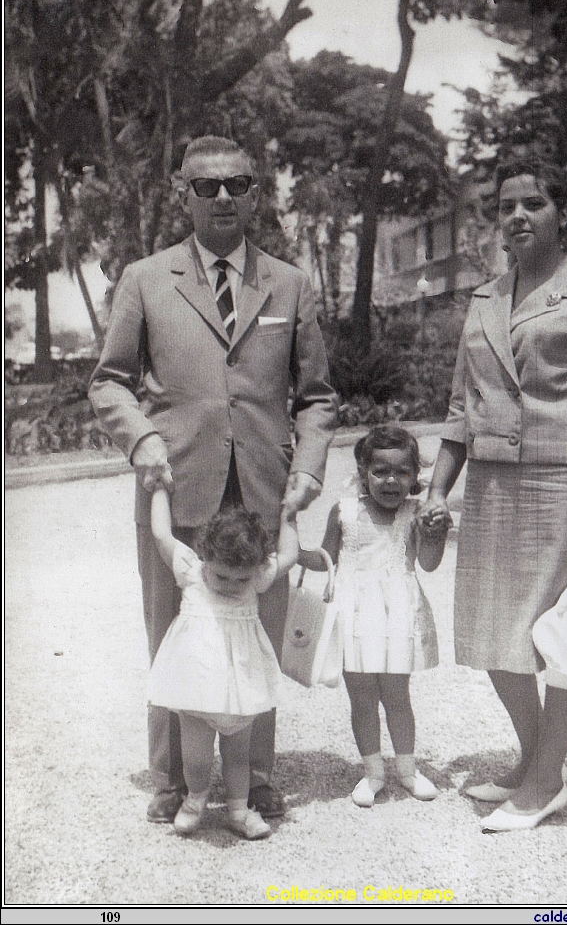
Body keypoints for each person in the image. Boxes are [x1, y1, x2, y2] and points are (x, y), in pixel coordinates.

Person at [89, 136, 337, 823]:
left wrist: (309, 468)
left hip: (262, 489)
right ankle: (176, 778)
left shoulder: (289, 282)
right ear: (184, 195)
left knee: (257, 629)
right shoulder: (145, 278)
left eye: (237, 183)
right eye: (207, 186)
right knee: (174, 630)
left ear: (257, 193)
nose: (223, 196)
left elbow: (317, 396)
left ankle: (254, 778)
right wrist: (141, 440)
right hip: (175, 480)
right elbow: (109, 382)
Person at [419, 160, 567, 831]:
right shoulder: (485, 298)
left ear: (559, 211)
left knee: (563, 637)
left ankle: (545, 781)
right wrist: (437, 488)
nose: (517, 215)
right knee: (493, 635)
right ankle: (536, 756)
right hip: (490, 483)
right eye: (505, 206)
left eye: (533, 202)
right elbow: (462, 404)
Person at [300, 425, 449, 807]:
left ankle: (408, 769)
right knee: (363, 697)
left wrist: (434, 535)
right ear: (363, 471)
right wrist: (289, 549)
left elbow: (429, 565)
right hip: (352, 614)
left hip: (396, 613)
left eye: (402, 471)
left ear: (415, 476)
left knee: (397, 694)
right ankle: (373, 773)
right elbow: (325, 559)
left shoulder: (416, 513)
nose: (391, 480)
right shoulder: (344, 511)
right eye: (380, 470)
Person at [147, 488, 298, 839]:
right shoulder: (191, 571)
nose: (231, 585)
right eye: (222, 577)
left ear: (256, 567)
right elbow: (161, 534)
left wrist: (290, 513)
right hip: (195, 684)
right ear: (206, 557)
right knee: (196, 756)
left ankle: (238, 809)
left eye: (240, 578)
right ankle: (194, 800)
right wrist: (157, 487)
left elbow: (288, 554)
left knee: (238, 755)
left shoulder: (257, 577)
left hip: (239, 683)